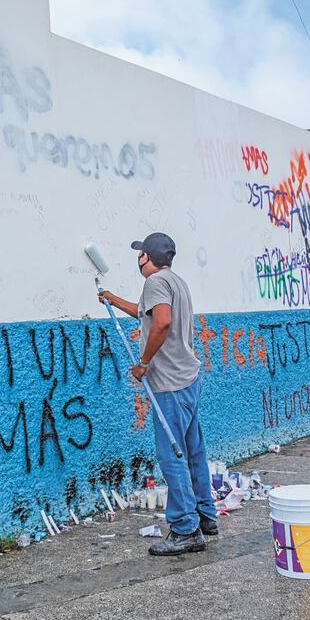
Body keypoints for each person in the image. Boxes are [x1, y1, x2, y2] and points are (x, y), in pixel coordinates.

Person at [98, 232, 218, 556]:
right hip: (189, 379)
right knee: (193, 452)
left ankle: (185, 529)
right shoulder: (176, 282)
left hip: (170, 385)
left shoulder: (155, 283)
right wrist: (111, 298)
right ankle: (205, 515)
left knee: (172, 456)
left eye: (141, 254)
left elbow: (161, 322)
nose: (139, 259)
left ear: (147, 257)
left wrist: (144, 363)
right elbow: (144, 311)